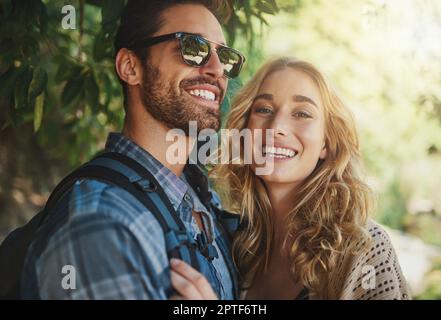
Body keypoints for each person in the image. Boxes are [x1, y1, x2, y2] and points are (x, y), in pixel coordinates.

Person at [20, 0, 246, 299]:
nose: (218, 70)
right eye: (194, 47)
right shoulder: (102, 222)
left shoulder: (201, 197)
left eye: (225, 55)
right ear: (130, 67)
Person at [169, 57, 411, 300]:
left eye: (302, 113)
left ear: (326, 142)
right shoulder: (238, 247)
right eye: (264, 109)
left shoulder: (363, 249)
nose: (277, 127)